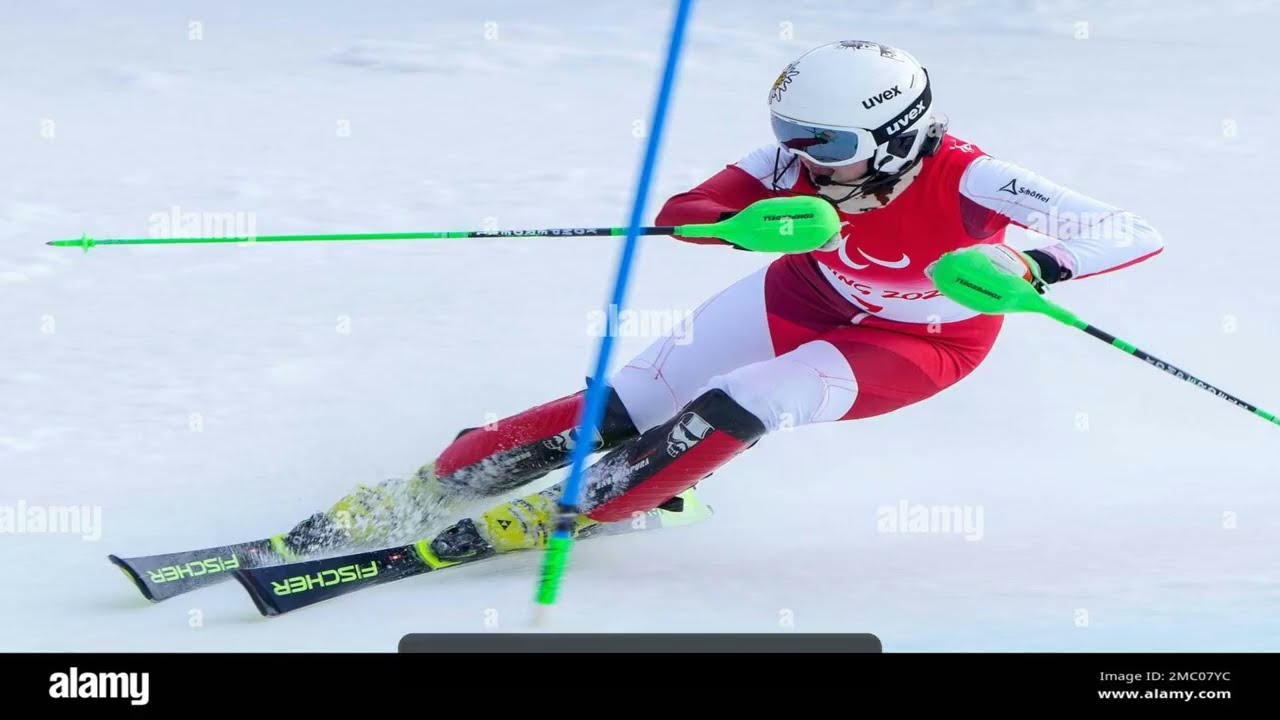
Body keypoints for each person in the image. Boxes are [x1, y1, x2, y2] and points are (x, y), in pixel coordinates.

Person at [276, 40, 1164, 560]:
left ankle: (589, 506)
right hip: (804, 294)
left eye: (826, 140)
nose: (802, 154)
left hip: (921, 341)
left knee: (752, 399)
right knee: (625, 404)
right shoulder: (790, 170)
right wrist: (746, 227)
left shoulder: (975, 177)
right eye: (790, 135)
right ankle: (435, 490)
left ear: (892, 133)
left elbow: (1126, 229)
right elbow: (685, 216)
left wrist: (1039, 269)